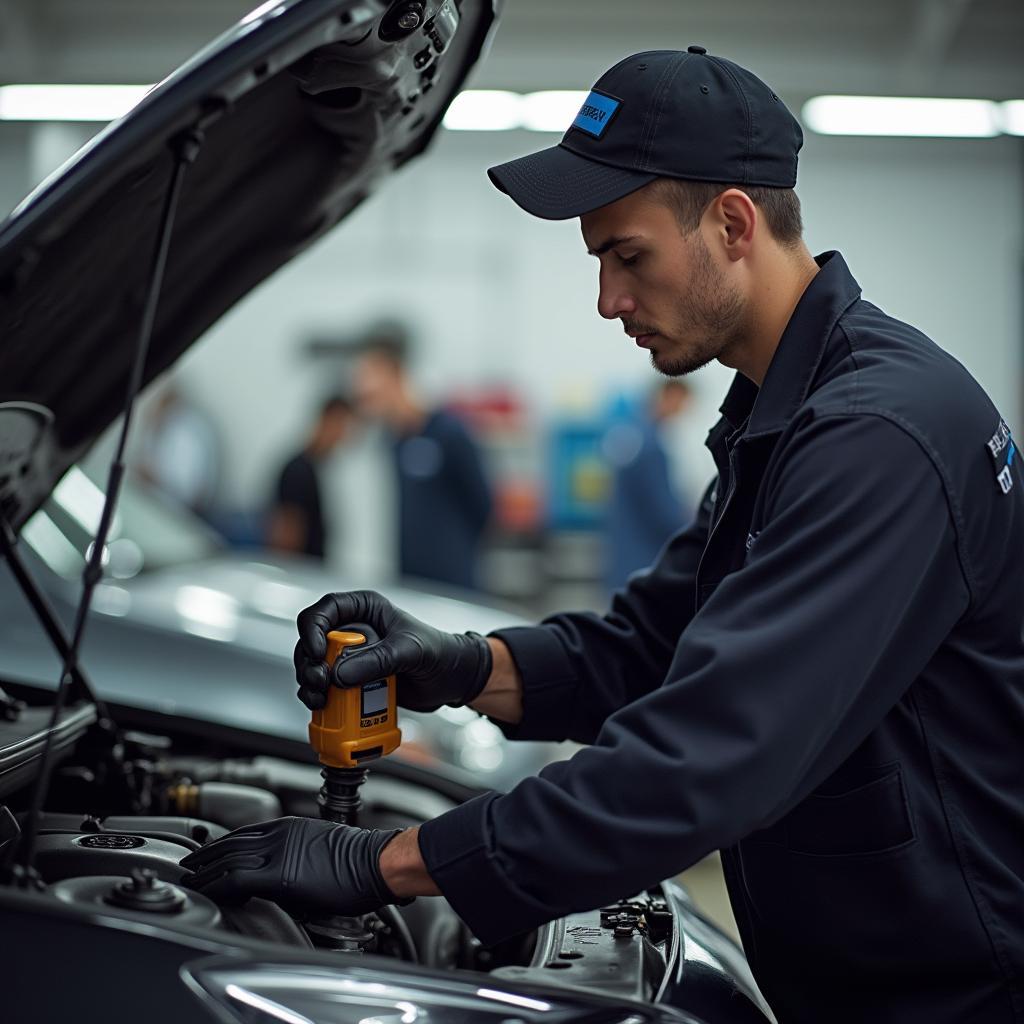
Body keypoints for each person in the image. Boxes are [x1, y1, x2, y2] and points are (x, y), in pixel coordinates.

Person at [181, 48, 1024, 1024]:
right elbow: (651, 646)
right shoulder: (785, 416)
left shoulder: (877, 434)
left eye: (629, 256)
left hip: (958, 993)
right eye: (599, 262)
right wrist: (460, 665)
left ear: (733, 224)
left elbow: (710, 754)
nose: (608, 300)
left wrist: (393, 861)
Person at [352, 326, 492, 591]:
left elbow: (483, 505)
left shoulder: (447, 431)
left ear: (395, 374)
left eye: (368, 376)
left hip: (453, 584)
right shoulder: (389, 442)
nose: (360, 388)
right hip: (408, 583)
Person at [604, 379, 694, 591]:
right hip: (645, 555)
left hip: (625, 550)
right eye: (681, 403)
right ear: (668, 396)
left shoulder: (632, 434)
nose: (681, 412)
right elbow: (664, 511)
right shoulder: (652, 447)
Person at [267, 395, 353, 561]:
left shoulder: (316, 468)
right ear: (330, 421)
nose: (346, 437)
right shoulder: (298, 471)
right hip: (300, 574)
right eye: (345, 427)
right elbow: (286, 537)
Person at [136, 382, 220, 516]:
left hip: (172, 513)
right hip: (148, 503)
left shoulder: (188, 432)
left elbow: (191, 492)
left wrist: (154, 477)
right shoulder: (159, 426)